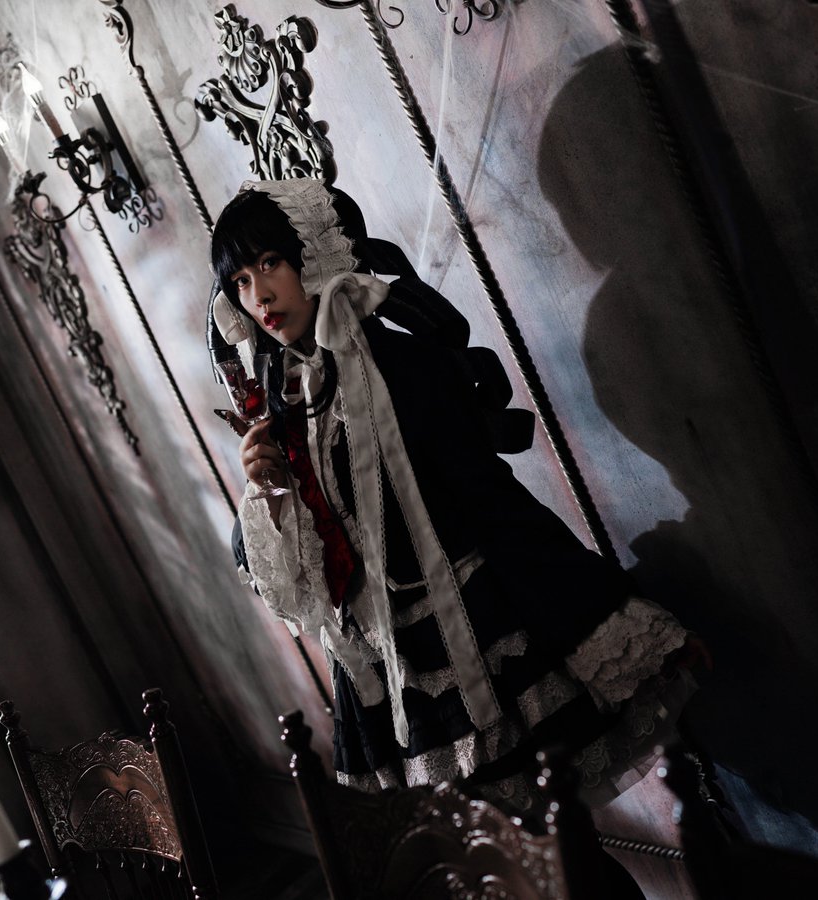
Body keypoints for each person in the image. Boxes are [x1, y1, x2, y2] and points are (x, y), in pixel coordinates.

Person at [210, 177, 708, 816]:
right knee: (486, 858)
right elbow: (295, 578)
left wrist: (609, 615)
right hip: (387, 674)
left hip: (475, 635)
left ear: (314, 254)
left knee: (549, 841)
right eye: (241, 281)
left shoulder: (404, 366)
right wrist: (269, 490)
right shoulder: (285, 401)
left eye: (269, 264)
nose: (258, 296)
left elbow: (494, 504)